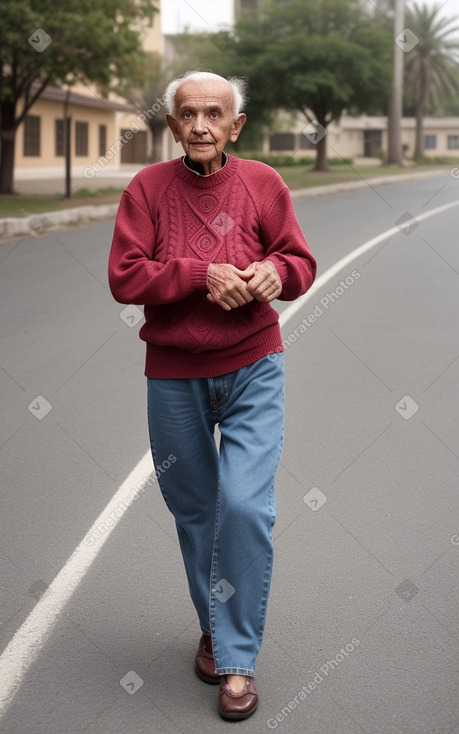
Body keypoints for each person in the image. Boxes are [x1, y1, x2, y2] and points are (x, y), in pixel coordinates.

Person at [108, 70, 316, 721]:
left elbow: (300, 264)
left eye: (214, 114)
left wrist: (267, 274)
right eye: (188, 114)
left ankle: (235, 661)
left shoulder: (262, 184)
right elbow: (124, 276)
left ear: (235, 126)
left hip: (253, 364)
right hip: (173, 374)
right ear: (172, 125)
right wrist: (201, 274)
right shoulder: (146, 190)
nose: (200, 125)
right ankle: (216, 627)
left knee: (244, 506)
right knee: (196, 513)